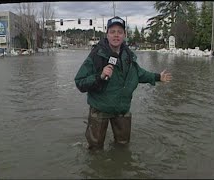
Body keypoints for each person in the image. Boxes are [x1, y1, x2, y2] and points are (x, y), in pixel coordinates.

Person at [74, 16, 172, 150]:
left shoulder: (128, 56)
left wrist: (158, 77)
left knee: (123, 146)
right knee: (94, 149)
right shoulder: (96, 55)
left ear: (124, 35)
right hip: (100, 108)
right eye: (112, 31)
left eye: (119, 32)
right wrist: (100, 76)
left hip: (122, 108)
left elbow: (138, 73)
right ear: (107, 34)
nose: (116, 35)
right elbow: (80, 82)